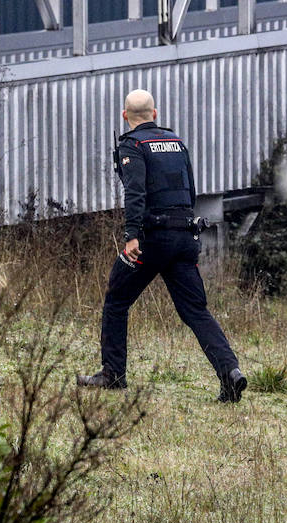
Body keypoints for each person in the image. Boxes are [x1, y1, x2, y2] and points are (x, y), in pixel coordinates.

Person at [77, 89, 246, 403]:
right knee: (195, 310)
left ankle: (113, 375)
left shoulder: (132, 144)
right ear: (154, 114)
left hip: (152, 241)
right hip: (185, 236)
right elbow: (190, 191)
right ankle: (231, 373)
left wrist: (131, 236)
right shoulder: (176, 142)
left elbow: (135, 193)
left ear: (125, 116)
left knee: (116, 299)